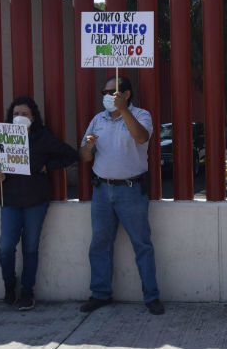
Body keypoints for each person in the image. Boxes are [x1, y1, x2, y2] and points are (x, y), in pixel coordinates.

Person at [79, 76, 164, 315]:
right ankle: (100, 293)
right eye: (104, 93)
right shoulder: (98, 119)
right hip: (102, 191)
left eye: (112, 92)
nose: (107, 96)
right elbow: (85, 157)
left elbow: (141, 137)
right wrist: (87, 146)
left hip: (131, 190)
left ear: (126, 94)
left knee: (142, 244)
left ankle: (151, 296)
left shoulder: (142, 115)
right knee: (100, 244)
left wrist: (124, 111)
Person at [0, 96, 78, 311]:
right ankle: (10, 286)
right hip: (10, 199)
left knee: (30, 248)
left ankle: (27, 292)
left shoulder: (42, 137)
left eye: (24, 114)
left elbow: (70, 155)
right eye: (15, 114)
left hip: (36, 201)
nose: (19, 117)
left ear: (33, 117)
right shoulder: (2, 137)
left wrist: (47, 166)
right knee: (5, 248)